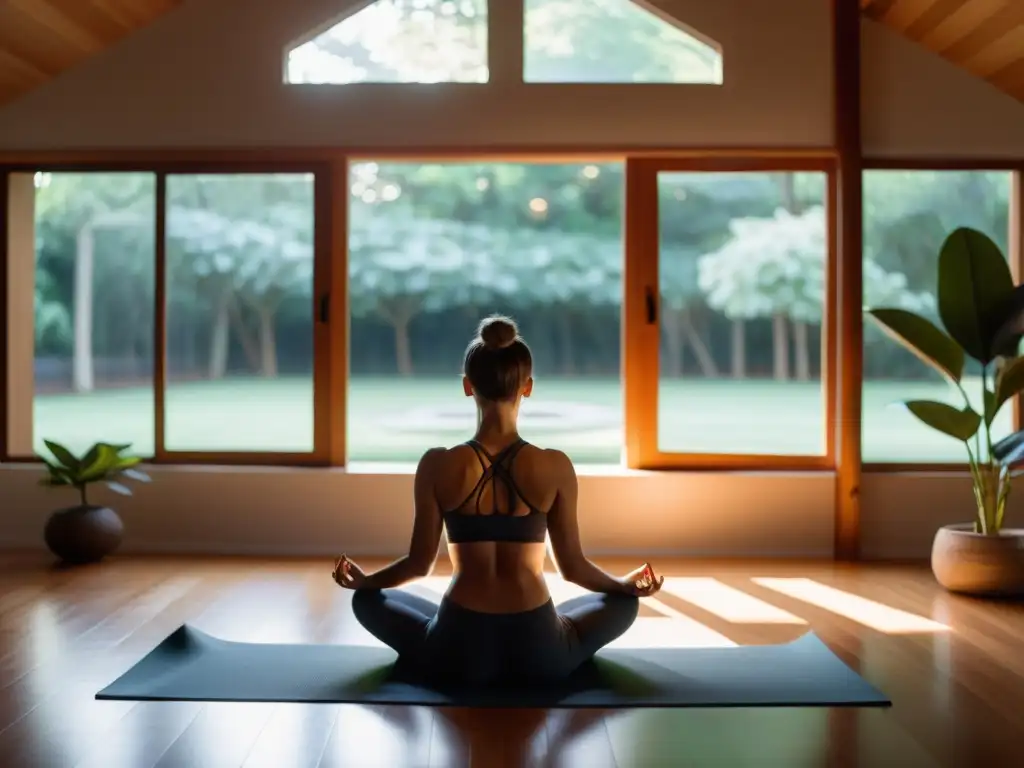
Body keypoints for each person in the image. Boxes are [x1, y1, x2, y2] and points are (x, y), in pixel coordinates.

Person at [332, 314, 664, 688]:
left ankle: (439, 643)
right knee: (622, 604)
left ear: (467, 387)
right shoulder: (555, 465)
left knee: (367, 600)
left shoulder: (437, 464)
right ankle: (559, 635)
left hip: (457, 650)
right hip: (539, 650)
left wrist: (365, 581)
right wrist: (624, 586)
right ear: (528, 387)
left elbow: (418, 564)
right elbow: (573, 568)